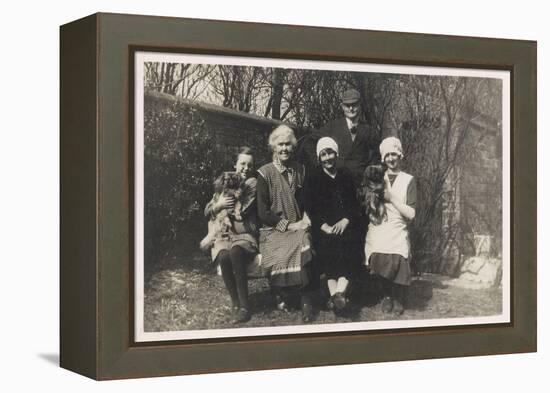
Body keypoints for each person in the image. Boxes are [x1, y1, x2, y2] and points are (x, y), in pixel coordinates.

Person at [256, 125, 318, 323]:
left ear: (293, 147)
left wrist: (307, 217)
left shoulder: (301, 170)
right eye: (280, 144)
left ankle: (306, 301)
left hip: (298, 225)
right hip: (273, 229)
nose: (284, 149)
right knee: (281, 251)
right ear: (274, 147)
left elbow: (308, 198)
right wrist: (289, 226)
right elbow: (263, 212)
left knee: (305, 242)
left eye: (288, 145)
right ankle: (282, 294)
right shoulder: (264, 173)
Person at [304, 137, 361, 313]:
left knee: (349, 245)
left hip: (346, 225)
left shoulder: (346, 175)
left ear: (336, 154)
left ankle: (335, 296)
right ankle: (339, 296)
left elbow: (355, 204)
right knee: (328, 249)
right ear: (319, 157)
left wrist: (346, 220)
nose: (327, 158)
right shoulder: (313, 178)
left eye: (330, 153)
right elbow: (310, 207)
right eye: (323, 154)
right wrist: (324, 226)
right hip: (324, 227)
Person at [202, 147, 258, 324]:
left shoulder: (252, 183)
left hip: (244, 233)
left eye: (250, 165)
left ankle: (245, 306)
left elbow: (246, 208)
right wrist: (218, 205)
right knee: (224, 256)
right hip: (224, 234)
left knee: (235, 251)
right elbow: (207, 210)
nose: (246, 168)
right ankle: (235, 302)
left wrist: (228, 205)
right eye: (242, 163)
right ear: (235, 164)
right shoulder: (225, 182)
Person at [364, 137, 416, 315]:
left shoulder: (408, 180)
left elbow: (411, 213)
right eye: (388, 155)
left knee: (398, 251)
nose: (391, 159)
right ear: (383, 158)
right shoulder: (378, 175)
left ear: (400, 155)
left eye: (394, 154)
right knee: (377, 249)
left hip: (398, 224)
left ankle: (398, 297)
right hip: (379, 223)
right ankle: (387, 295)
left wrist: (391, 197)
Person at [318, 88, 381, 187]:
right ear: (342, 106)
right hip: (337, 182)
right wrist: (321, 167)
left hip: (360, 184)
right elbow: (312, 143)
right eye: (347, 105)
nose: (351, 109)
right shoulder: (332, 127)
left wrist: (368, 173)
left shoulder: (369, 130)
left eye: (354, 105)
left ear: (360, 105)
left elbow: (377, 155)